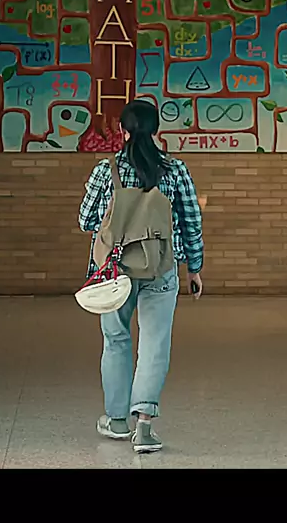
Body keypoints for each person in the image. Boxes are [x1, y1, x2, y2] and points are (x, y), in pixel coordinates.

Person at [78, 99, 204, 453]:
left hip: (114, 270)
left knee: (116, 340)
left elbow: (86, 220)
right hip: (161, 266)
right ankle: (144, 427)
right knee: (154, 343)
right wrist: (195, 267)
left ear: (122, 130)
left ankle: (116, 420)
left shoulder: (106, 170)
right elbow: (191, 221)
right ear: (156, 130)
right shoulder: (175, 170)